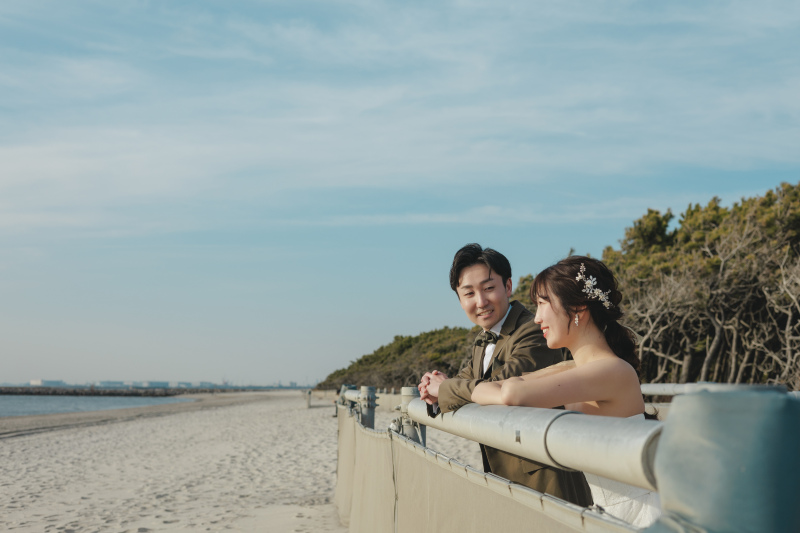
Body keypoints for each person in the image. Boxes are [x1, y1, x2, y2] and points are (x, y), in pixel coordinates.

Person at [470, 255, 661, 527]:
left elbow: (511, 392)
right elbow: (500, 388)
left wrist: (481, 390)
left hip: (639, 516)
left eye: (542, 304)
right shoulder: (575, 368)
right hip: (608, 513)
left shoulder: (612, 371)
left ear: (578, 308)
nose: (536, 318)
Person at [418, 244, 592, 506]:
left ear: (508, 286)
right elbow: (462, 383)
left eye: (489, 288)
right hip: (505, 478)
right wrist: (433, 387)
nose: (481, 302)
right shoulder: (483, 339)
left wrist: (443, 389)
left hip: (545, 480)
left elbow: (496, 388)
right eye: (469, 293)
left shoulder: (533, 330)